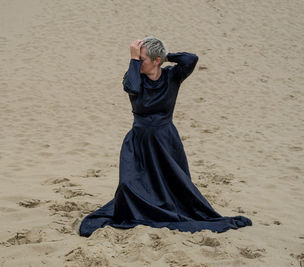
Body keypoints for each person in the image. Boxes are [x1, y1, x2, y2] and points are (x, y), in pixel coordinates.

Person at [79, 37, 252, 237]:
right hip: (139, 140)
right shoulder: (134, 77)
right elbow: (131, 88)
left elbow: (191, 59)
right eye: (137, 59)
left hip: (165, 140)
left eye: (142, 59)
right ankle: (138, 211)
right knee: (127, 185)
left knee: (174, 186)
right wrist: (135, 60)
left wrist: (166, 55)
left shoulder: (173, 76)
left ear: (156, 61)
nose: (137, 61)